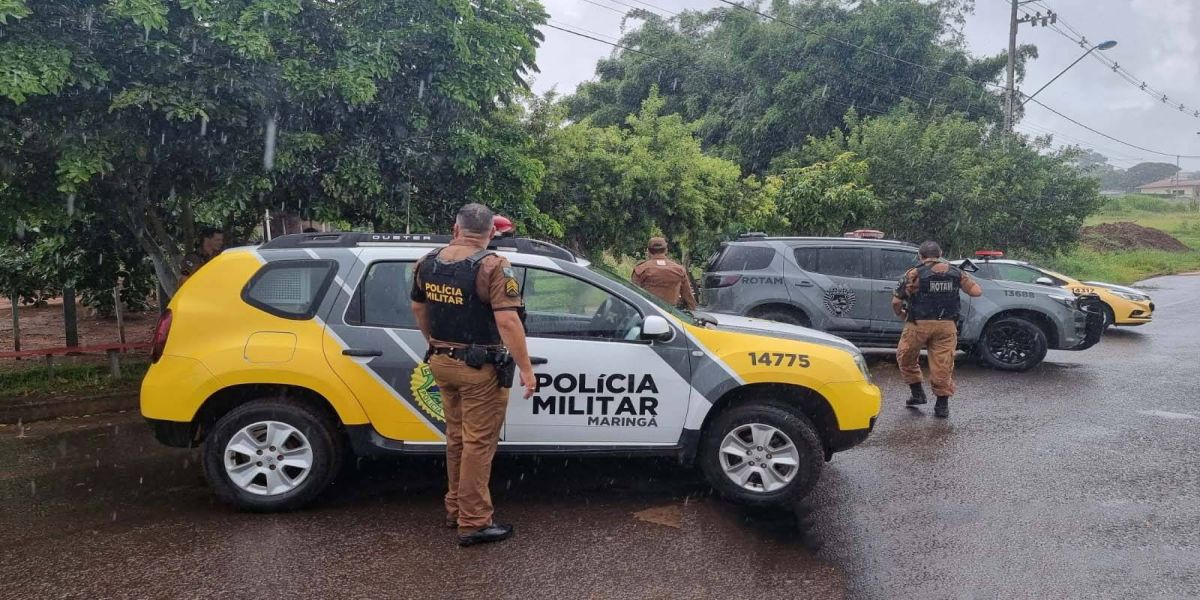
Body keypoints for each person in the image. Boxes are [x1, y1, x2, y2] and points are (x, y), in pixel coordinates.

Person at [410, 203, 537, 547]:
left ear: (455, 228)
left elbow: (419, 307)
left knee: (457, 439)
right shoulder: (494, 266)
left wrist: (434, 344)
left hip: (441, 361)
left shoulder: (428, 262)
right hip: (478, 369)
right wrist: (526, 369)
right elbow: (508, 320)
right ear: (492, 233)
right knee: (479, 445)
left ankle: (455, 508)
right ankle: (475, 521)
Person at [892, 241, 982, 418]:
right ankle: (942, 406)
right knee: (943, 364)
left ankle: (917, 394)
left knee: (906, 357)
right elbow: (976, 292)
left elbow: (896, 301)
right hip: (946, 326)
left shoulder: (914, 273)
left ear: (920, 256)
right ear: (940, 253)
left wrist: (902, 314)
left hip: (918, 324)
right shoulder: (956, 273)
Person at [632, 237, 697, 310]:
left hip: (647, 312)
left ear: (648, 251)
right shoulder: (679, 270)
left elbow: (633, 295)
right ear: (666, 250)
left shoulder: (641, 269)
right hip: (671, 315)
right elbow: (688, 297)